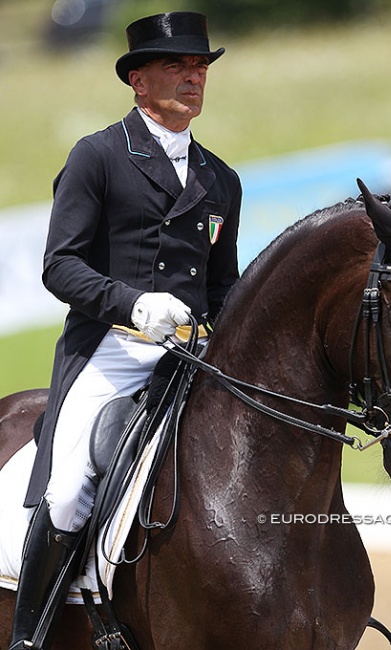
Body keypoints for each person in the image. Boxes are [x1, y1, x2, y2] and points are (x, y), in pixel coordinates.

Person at [10, 11, 241, 650]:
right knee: (69, 488)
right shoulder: (98, 156)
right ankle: (28, 637)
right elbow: (60, 266)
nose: (194, 79)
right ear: (138, 79)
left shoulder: (222, 179)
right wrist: (135, 306)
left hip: (190, 358)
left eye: (199, 68)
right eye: (177, 66)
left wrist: (223, 330)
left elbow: (223, 286)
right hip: (111, 350)